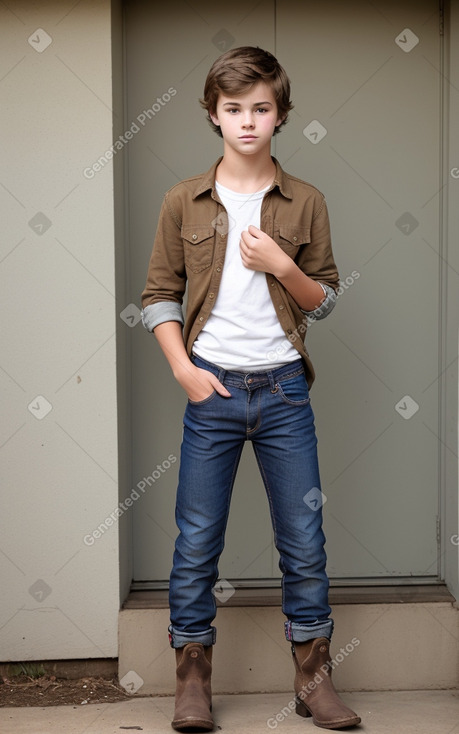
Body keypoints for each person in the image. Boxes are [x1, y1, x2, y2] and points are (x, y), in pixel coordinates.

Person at [141, 46, 361, 731]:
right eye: (233, 109)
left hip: (285, 393)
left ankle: (312, 677)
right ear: (213, 114)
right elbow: (157, 296)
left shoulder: (306, 201)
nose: (247, 121)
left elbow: (322, 299)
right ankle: (192, 678)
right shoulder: (183, 199)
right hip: (213, 393)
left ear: (279, 116)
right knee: (197, 537)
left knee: (302, 535)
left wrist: (277, 262)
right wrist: (183, 370)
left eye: (260, 109)